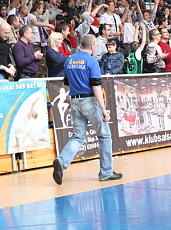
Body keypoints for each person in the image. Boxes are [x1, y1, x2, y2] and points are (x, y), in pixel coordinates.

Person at [52, 34, 123, 184]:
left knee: (78, 137)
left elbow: (66, 83)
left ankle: (62, 161)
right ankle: (106, 172)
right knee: (104, 136)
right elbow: (96, 86)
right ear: (92, 46)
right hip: (89, 100)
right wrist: (103, 109)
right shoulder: (91, 61)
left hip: (74, 100)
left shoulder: (69, 60)